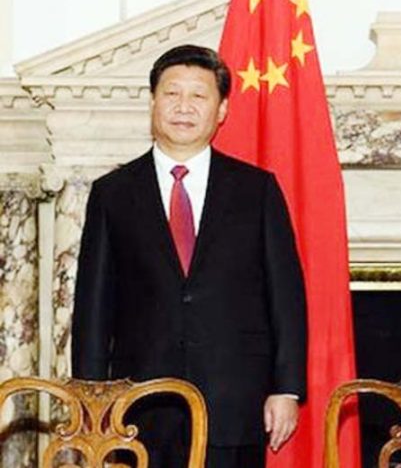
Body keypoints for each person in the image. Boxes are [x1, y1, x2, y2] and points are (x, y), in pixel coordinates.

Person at [71, 45, 307, 468]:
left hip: (235, 399)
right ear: (152, 103)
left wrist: (286, 389)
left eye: (198, 96)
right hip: (138, 406)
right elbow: (93, 307)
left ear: (221, 110)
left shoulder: (257, 190)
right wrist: (92, 400)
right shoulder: (113, 193)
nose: (183, 107)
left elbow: (286, 296)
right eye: (171, 94)